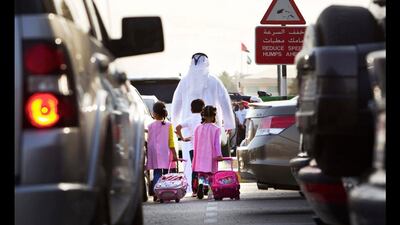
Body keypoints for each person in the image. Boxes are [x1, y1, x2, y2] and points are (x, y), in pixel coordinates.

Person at [171, 53, 235, 193]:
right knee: (211, 158)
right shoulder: (214, 81)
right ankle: (209, 184)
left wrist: (174, 123)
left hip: (190, 130)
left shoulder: (184, 81)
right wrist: (229, 124)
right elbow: (225, 102)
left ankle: (194, 185)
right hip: (212, 126)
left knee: (193, 160)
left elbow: (176, 104)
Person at [146, 101, 178, 202]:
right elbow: (171, 142)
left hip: (154, 153)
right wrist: (174, 154)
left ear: (154, 113)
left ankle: (157, 193)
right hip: (166, 152)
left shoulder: (150, 126)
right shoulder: (169, 125)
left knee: (157, 173)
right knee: (167, 174)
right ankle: (167, 192)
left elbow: (149, 140)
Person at [175, 99, 205, 197]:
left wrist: (182, 138)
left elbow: (178, 127)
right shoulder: (204, 118)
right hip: (204, 148)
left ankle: (195, 190)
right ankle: (204, 187)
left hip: (193, 148)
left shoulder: (189, 119)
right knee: (204, 168)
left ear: (191, 109)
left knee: (195, 168)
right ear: (203, 108)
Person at [192, 105, 224, 198]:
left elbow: (195, 144)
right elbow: (216, 144)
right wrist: (219, 155)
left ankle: (201, 184)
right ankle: (211, 190)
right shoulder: (216, 129)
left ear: (203, 116)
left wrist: (195, 156)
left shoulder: (198, 128)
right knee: (211, 174)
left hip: (200, 155)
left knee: (201, 173)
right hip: (211, 155)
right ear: (214, 116)